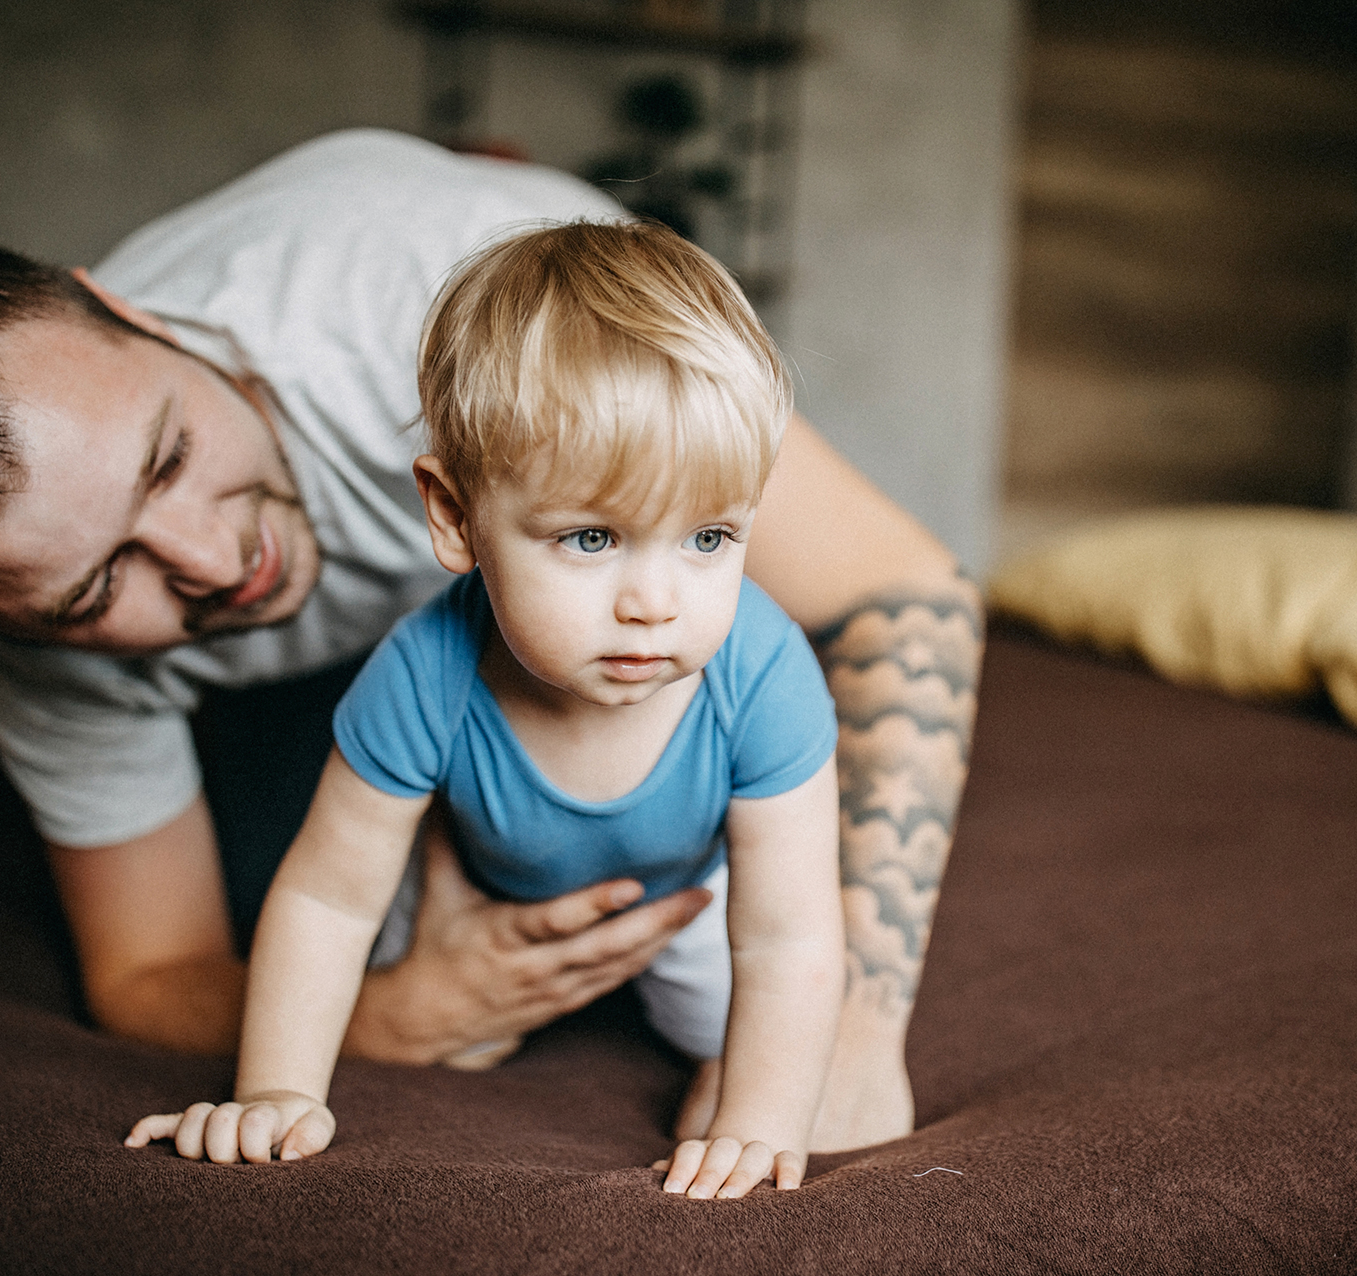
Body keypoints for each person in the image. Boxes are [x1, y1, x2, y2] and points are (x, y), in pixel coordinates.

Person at [0, 130, 981, 1152]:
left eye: (170, 456)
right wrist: (395, 1015)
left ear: (125, 308)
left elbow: (910, 590)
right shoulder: (51, 654)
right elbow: (157, 969)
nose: (217, 564)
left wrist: (854, 1029)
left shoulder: (462, 317)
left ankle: (487, 152)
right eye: (95, 587)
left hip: (470, 247)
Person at [129, 221, 844, 1199]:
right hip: (472, 884)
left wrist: (755, 1119)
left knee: (786, 1043)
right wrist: (277, 1090)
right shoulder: (425, 671)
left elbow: (788, 931)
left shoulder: (763, 672)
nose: (655, 600)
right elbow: (329, 897)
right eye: (592, 538)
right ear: (455, 515)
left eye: (709, 534)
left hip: (686, 896)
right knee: (394, 1002)